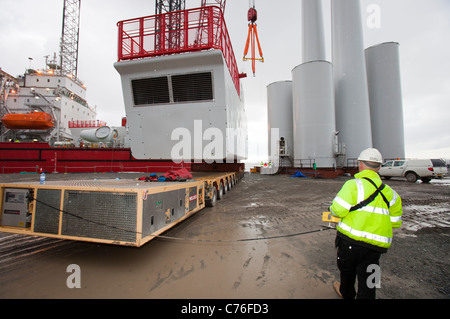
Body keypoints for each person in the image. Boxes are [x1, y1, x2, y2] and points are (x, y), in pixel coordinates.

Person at [329, 148, 403, 299]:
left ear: (361, 165)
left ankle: (346, 294)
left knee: (347, 273)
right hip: (375, 248)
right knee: (370, 281)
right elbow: (395, 223)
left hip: (349, 243)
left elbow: (337, 211)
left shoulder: (353, 185)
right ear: (379, 167)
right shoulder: (392, 193)